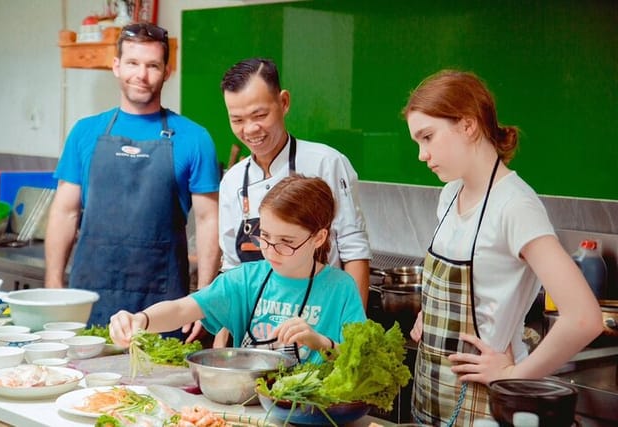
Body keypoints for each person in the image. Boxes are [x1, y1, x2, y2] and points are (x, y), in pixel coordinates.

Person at [403, 70, 603, 425]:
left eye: (428, 137)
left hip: (484, 407)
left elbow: (584, 317)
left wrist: (514, 375)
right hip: (431, 397)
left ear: (468, 125)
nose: (422, 154)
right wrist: (429, 315)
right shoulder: (450, 195)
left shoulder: (515, 206)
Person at [44, 23, 222, 331]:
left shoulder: (195, 138)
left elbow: (209, 221)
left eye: (152, 65)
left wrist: (202, 301)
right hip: (88, 299)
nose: (141, 75)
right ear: (116, 66)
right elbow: (65, 211)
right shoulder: (85, 132)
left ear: (167, 71)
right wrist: (53, 281)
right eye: (132, 63)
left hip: (163, 306)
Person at [109, 175, 367, 363]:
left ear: (318, 238)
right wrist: (140, 320)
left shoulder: (340, 288)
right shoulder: (246, 280)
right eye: (264, 236)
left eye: (287, 242)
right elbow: (181, 309)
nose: (271, 250)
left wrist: (320, 342)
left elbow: (361, 360)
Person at [218, 58, 372, 308]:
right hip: (254, 325)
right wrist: (225, 332)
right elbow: (232, 268)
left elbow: (354, 251)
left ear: (284, 102)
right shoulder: (232, 180)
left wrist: (351, 329)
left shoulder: (326, 163)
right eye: (237, 120)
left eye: (260, 115)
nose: (250, 129)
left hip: (320, 319)